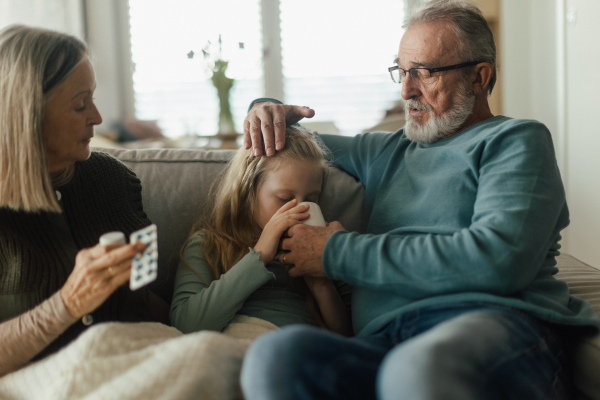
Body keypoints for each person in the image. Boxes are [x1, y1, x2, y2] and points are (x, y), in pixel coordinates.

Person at [238, 1, 600, 399]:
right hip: (383, 342)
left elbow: (499, 260)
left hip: (494, 327)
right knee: (276, 356)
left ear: (479, 77)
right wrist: (263, 108)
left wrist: (337, 252)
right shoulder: (385, 150)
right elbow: (289, 138)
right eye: (402, 71)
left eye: (424, 73)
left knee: (415, 370)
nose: (407, 90)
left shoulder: (515, 141)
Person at [0, 25, 156, 377]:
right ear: (26, 116)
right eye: (80, 104)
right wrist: (68, 304)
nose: (97, 118)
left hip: (132, 363)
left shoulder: (112, 180)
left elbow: (146, 301)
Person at [170, 125, 351, 339]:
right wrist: (259, 256)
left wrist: (320, 282)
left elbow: (348, 336)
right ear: (248, 191)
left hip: (298, 347)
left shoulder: (329, 249)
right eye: (284, 198)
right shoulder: (209, 244)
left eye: (311, 200)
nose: (299, 210)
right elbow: (186, 326)